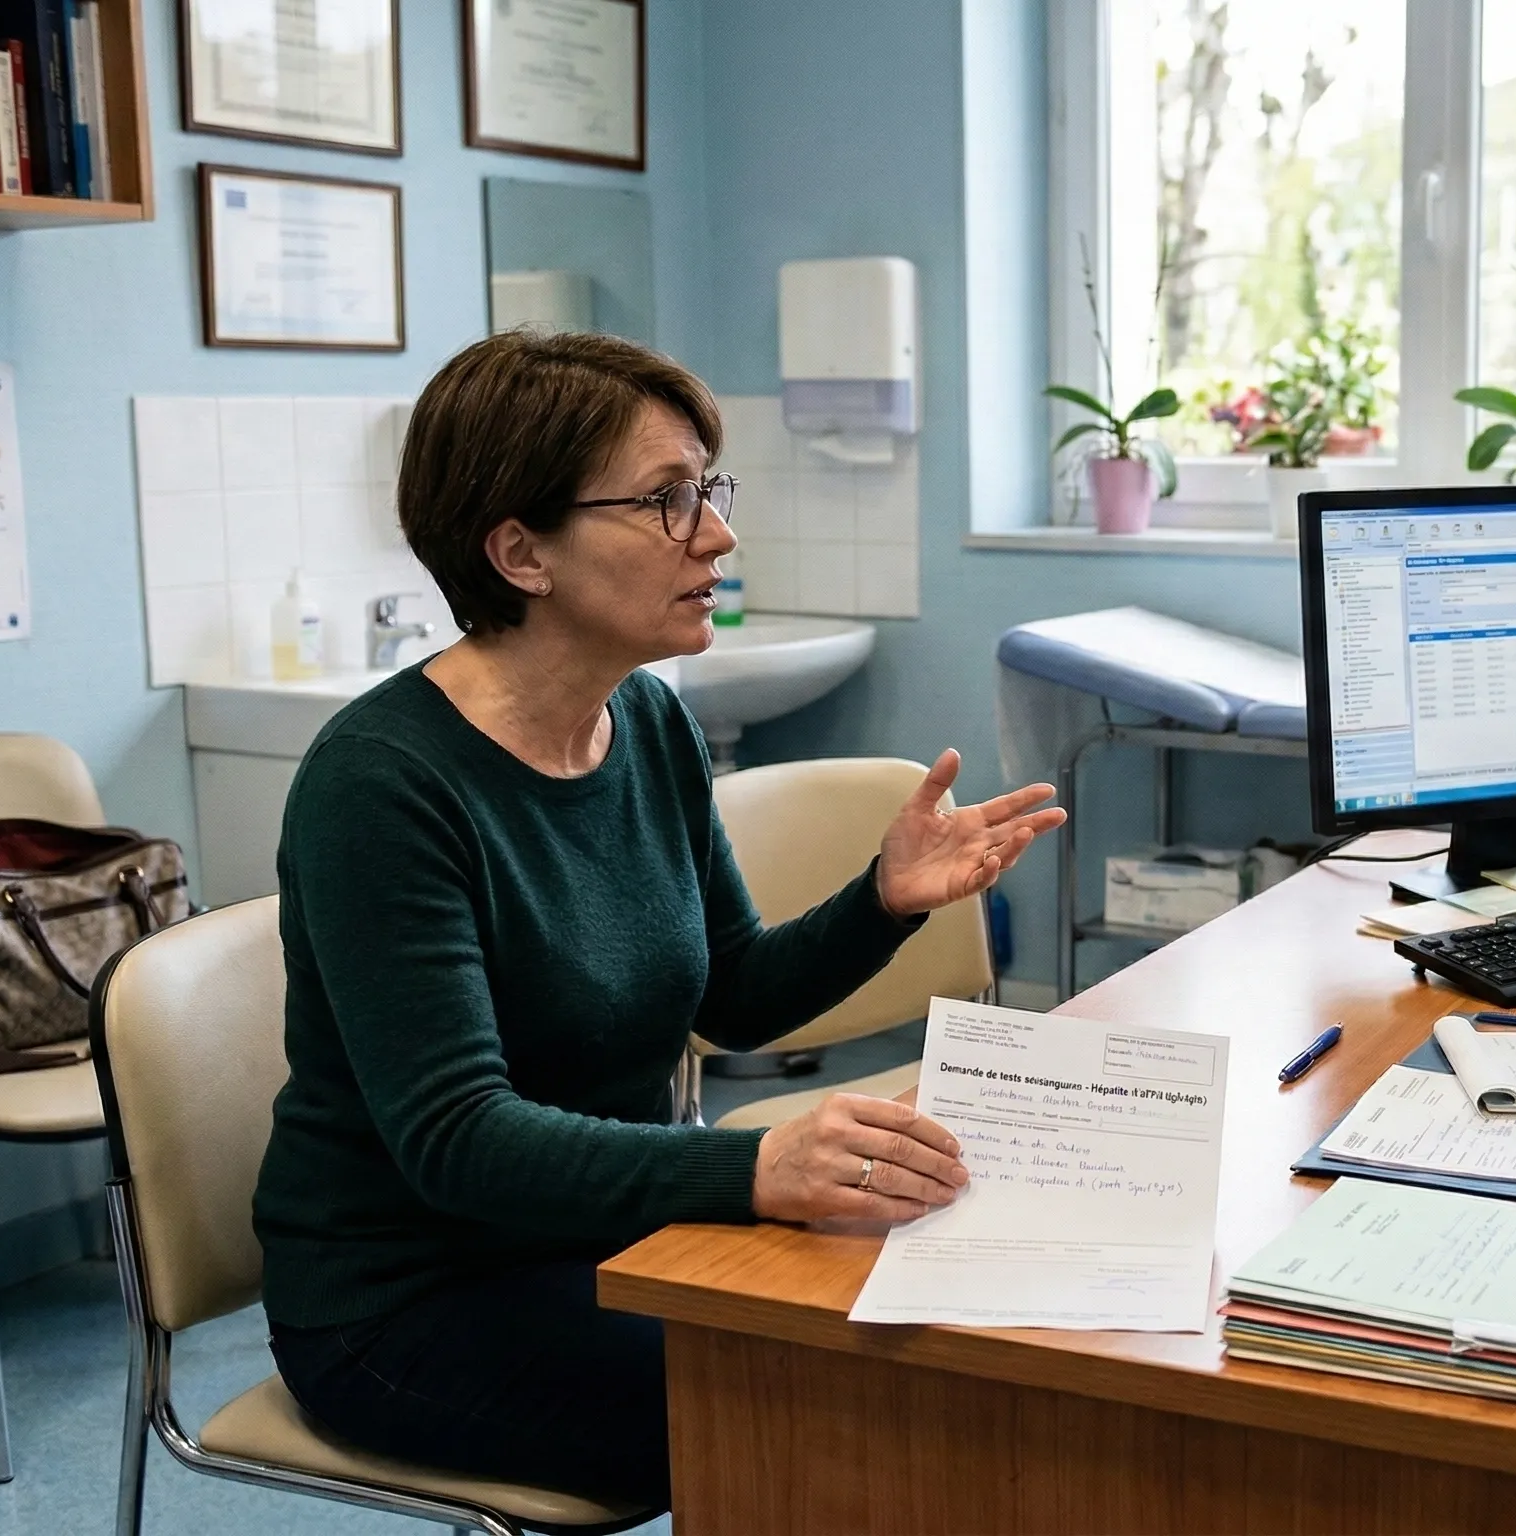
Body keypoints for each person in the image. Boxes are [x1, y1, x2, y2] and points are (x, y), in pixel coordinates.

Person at [251, 329, 1065, 1510]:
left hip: (602, 1239)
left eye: (708, 491)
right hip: (409, 1299)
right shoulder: (381, 784)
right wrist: (756, 1167)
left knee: (931, 1344)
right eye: (668, 500)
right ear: (520, 551)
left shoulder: (644, 720)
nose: (719, 534)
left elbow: (729, 993)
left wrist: (881, 902)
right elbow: (460, 1141)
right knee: (845, 1415)